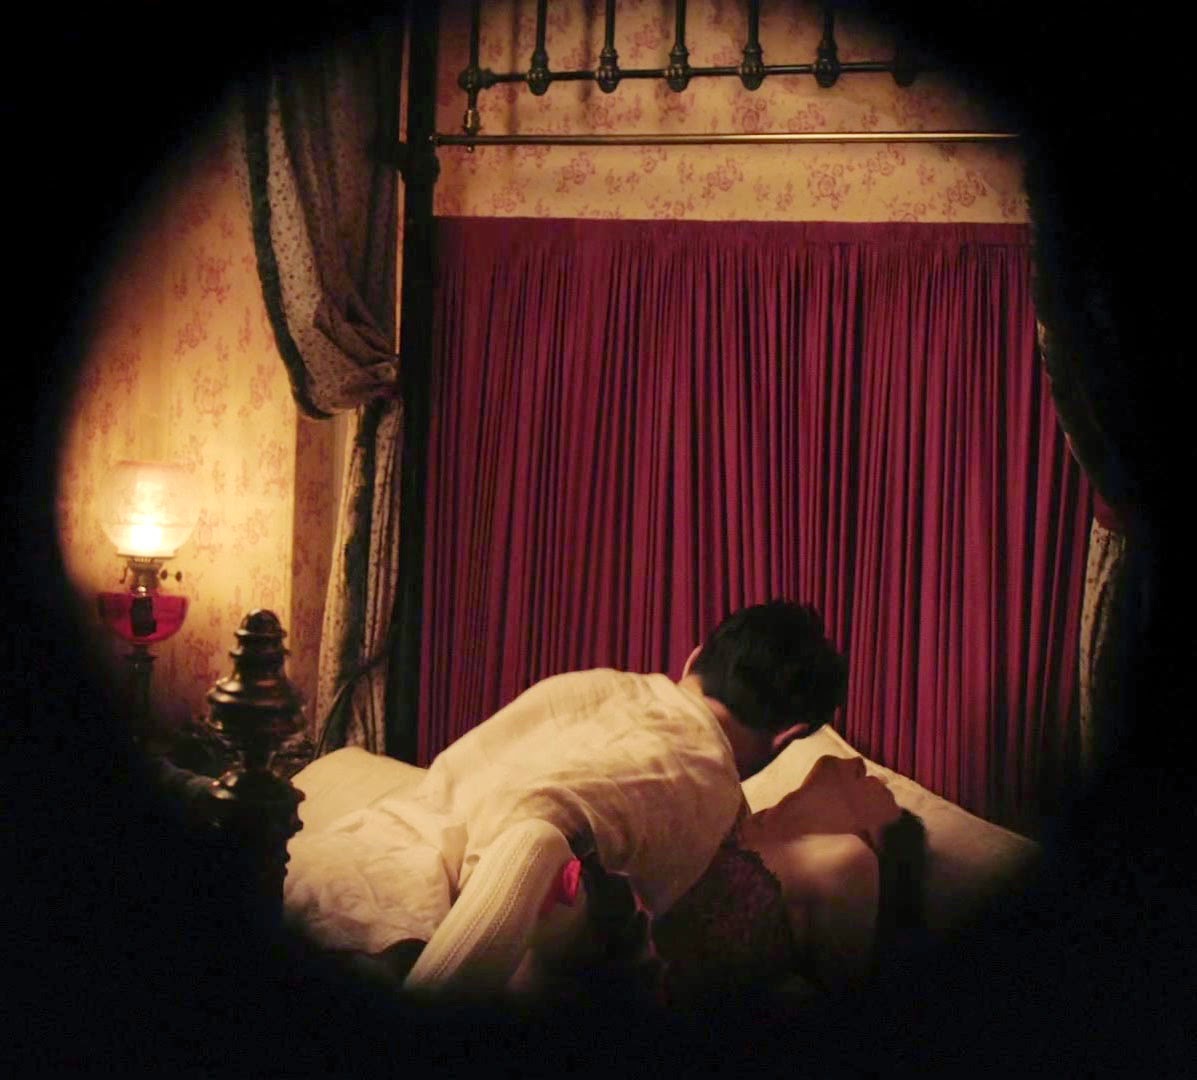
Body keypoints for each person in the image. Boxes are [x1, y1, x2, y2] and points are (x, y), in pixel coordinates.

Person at [282, 600, 848, 997]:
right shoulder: (710, 788)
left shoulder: (592, 685)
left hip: (334, 862)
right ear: (788, 737)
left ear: (693, 659)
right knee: (548, 850)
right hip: (444, 920)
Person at [649, 754, 927, 1008]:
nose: (879, 777)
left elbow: (840, 1005)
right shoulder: (733, 803)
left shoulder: (850, 858)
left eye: (888, 795)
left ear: (874, 838)